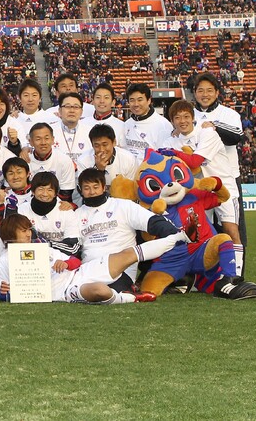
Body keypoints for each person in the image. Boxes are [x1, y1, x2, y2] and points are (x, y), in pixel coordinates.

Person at [0, 213, 186, 304]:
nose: (28, 234)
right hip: (66, 291)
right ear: (10, 234)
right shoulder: (4, 261)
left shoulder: (42, 249)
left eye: (28, 229)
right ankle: (130, 298)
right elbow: (1, 293)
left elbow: (76, 262)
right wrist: (5, 293)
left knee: (126, 255)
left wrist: (66, 263)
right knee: (99, 291)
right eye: (22, 230)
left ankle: (181, 236)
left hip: (79, 273)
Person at [75, 167, 190, 293]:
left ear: (104, 187)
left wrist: (177, 235)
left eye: (96, 187)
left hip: (122, 270)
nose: (92, 192)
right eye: (87, 188)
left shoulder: (123, 206)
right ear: (81, 190)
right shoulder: (76, 215)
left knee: (106, 293)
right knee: (83, 292)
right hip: (89, 270)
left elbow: (153, 222)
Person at [164, 99, 244, 273]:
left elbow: (195, 161)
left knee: (231, 230)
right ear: (172, 121)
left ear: (193, 118)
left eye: (186, 116)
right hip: (197, 194)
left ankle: (235, 273)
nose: (182, 121)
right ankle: (202, 275)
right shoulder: (172, 140)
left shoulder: (208, 133)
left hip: (223, 188)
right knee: (199, 234)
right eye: (177, 118)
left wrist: (174, 153)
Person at [192, 72, 247, 268]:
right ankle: (204, 273)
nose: (204, 95)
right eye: (200, 90)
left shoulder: (228, 114)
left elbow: (236, 137)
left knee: (233, 227)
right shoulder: (189, 115)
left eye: (209, 90)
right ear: (194, 93)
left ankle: (237, 273)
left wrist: (214, 126)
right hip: (199, 182)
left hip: (227, 178)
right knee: (199, 228)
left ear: (217, 93)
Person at [18, 172, 82, 257]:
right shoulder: (22, 210)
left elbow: (73, 248)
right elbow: (18, 242)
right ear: (33, 191)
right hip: (31, 257)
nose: (45, 194)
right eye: (41, 189)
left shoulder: (66, 211)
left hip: (60, 260)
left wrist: (47, 244)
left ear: (55, 193)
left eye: (50, 190)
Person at [75, 124, 139, 190]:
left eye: (105, 145)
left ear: (114, 142)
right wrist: (99, 170)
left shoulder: (128, 159)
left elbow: (131, 189)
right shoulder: (83, 161)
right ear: (92, 145)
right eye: (97, 145)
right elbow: (85, 190)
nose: (101, 149)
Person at [26, 123, 76, 202]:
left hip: (56, 203)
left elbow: (66, 192)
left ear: (52, 140)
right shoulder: (25, 159)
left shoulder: (64, 160)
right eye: (38, 139)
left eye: (46, 138)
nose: (43, 143)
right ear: (31, 142)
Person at [122, 83, 172, 158]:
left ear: (149, 100)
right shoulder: (127, 124)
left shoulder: (163, 125)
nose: (136, 104)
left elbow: (166, 158)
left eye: (140, 100)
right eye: (132, 100)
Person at [50, 92, 92, 164]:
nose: (72, 111)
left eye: (76, 107)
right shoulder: (49, 131)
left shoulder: (90, 132)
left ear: (81, 112)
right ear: (60, 110)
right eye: (67, 106)